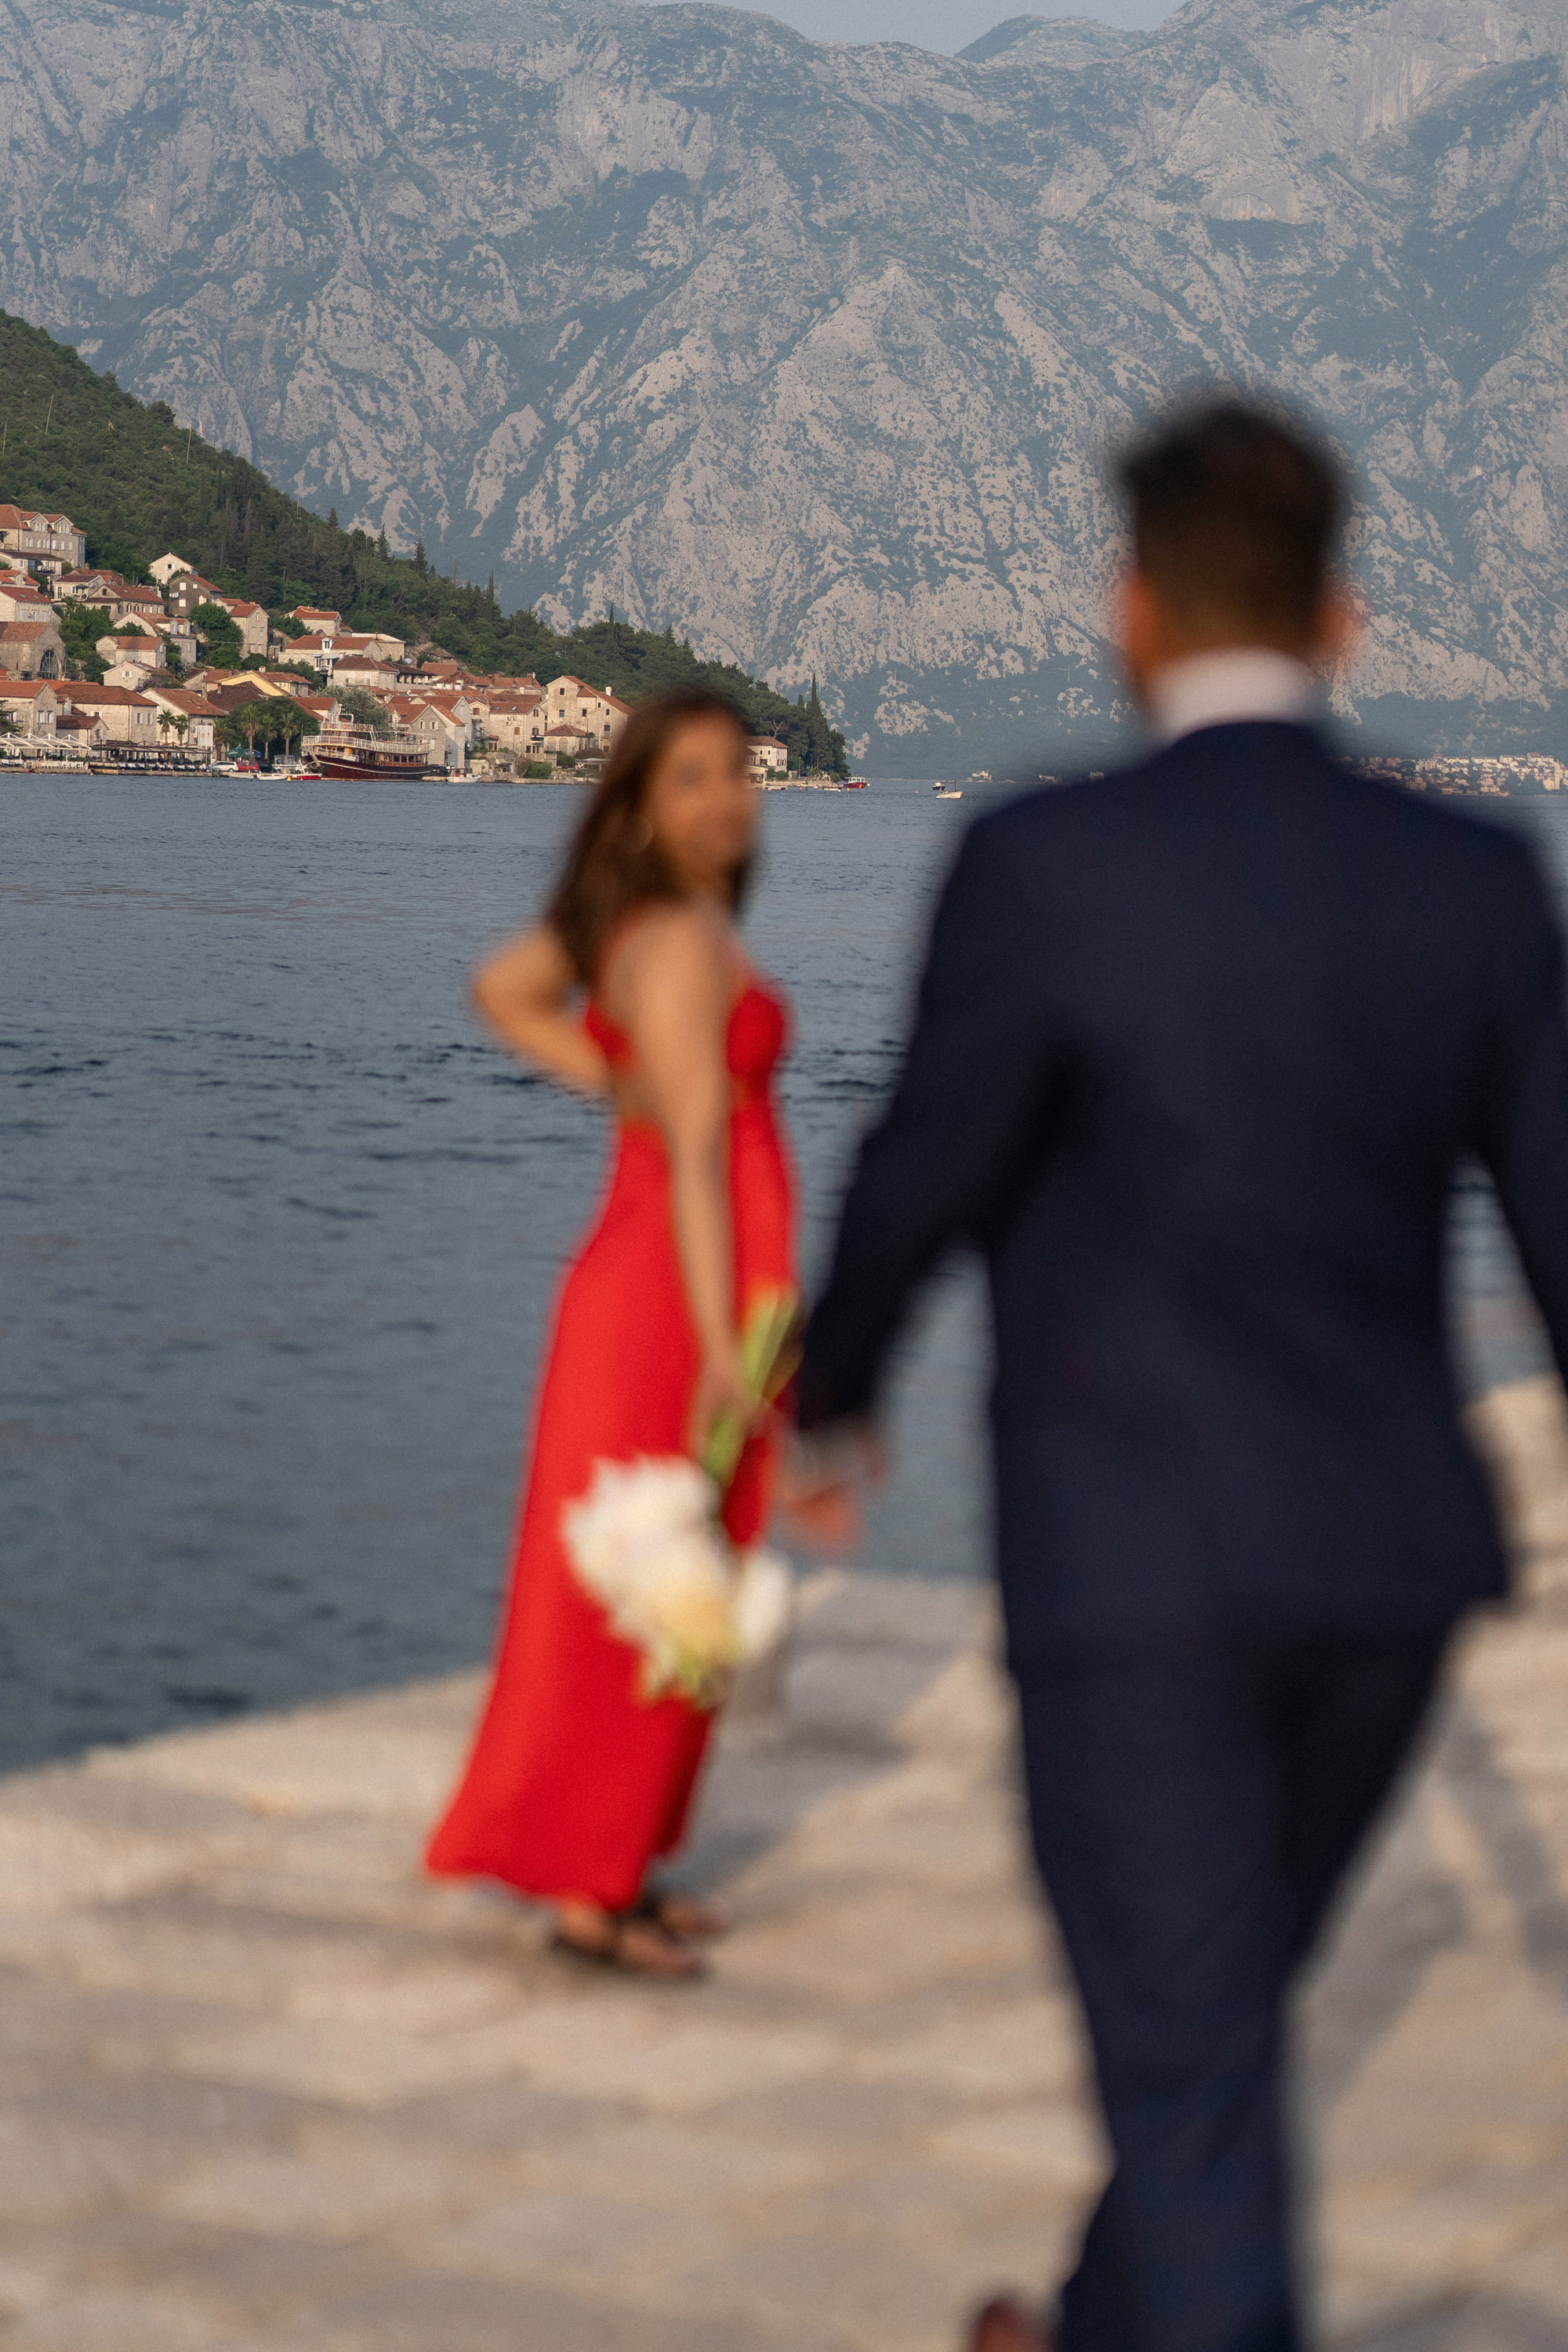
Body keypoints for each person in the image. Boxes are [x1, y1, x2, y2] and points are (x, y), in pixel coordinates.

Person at [784, 397, 1568, 2350]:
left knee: (1197, 2062)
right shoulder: (1473, 878)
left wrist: (833, 1394)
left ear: (1128, 614)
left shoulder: (1046, 859)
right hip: (1387, 1577)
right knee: (1208, 2027)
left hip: (1138, 1570)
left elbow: (925, 1165)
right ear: (1347, 619)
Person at [427, 691, 796, 1979]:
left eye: (739, 775)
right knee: (653, 1591)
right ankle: (589, 1889)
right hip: (666, 1307)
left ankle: (620, 1862)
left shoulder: (647, 923)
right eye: (692, 779)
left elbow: (506, 989)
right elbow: (695, 1149)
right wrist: (715, 1344)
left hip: (669, 1294)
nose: (726, 800)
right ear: (642, 804)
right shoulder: (679, 941)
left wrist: (612, 1079)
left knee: (671, 1588)